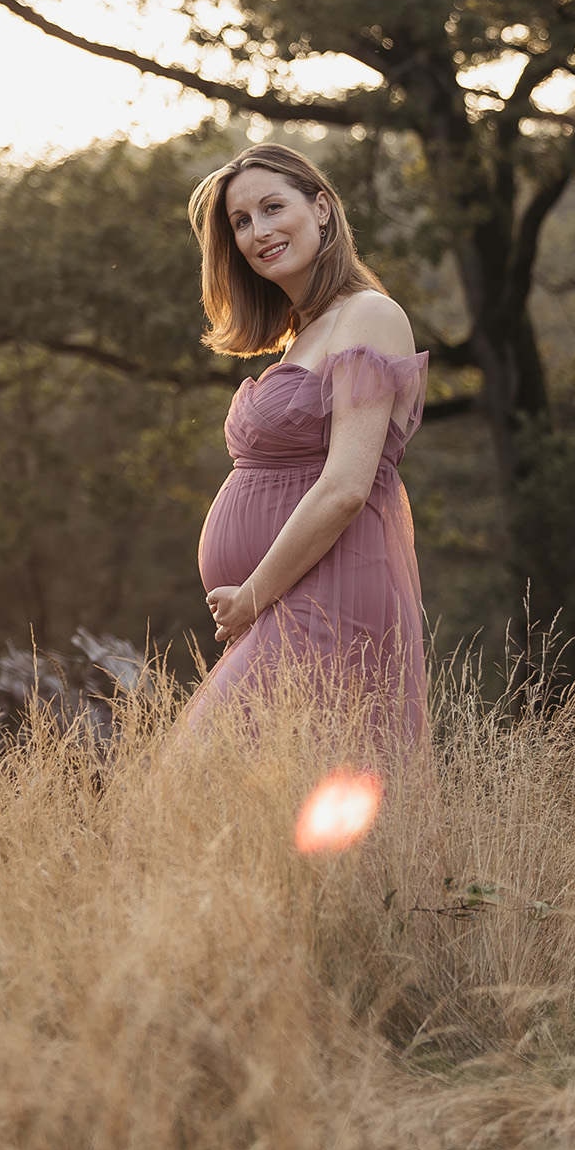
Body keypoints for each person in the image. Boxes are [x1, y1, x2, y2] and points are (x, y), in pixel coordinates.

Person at [184, 142, 429, 746]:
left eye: (272, 208)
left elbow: (346, 487)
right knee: (247, 795)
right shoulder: (304, 334)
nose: (258, 231)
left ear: (321, 208)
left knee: (191, 774)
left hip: (329, 593)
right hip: (287, 599)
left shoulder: (368, 314)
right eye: (241, 222)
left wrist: (252, 596)